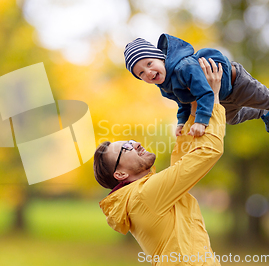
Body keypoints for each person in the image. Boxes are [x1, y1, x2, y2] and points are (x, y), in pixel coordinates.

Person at [95, 58, 225, 265]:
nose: (136, 143)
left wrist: (193, 108)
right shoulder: (144, 196)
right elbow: (208, 152)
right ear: (120, 175)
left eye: (129, 140)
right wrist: (214, 99)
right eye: (126, 147)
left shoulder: (143, 194)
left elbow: (181, 164)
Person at [124, 34, 269, 149]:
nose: (148, 72)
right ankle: (263, 113)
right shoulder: (164, 86)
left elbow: (204, 94)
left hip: (236, 83)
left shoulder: (183, 67)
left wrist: (201, 122)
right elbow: (183, 102)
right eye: (141, 73)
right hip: (221, 96)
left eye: (149, 63)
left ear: (160, 57)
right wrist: (181, 122)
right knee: (231, 119)